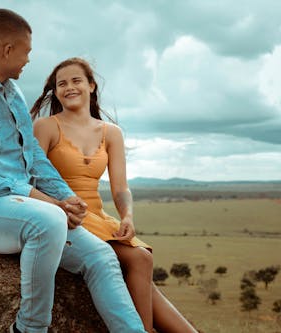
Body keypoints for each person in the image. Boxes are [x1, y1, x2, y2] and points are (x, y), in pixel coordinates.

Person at [0, 9, 147, 333]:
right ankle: (30, 328)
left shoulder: (13, 95)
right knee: (48, 219)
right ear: (7, 50)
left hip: (24, 207)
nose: (29, 60)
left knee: (102, 257)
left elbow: (32, 156)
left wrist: (66, 197)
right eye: (26, 51)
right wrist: (45, 201)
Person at [31, 57, 199, 333]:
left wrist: (127, 216)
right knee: (140, 259)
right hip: (65, 213)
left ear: (91, 86)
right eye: (62, 84)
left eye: (76, 81)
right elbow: (31, 176)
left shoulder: (111, 133)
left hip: (98, 216)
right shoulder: (46, 127)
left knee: (143, 274)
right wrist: (54, 205)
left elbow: (120, 187)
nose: (69, 87)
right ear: (56, 91)